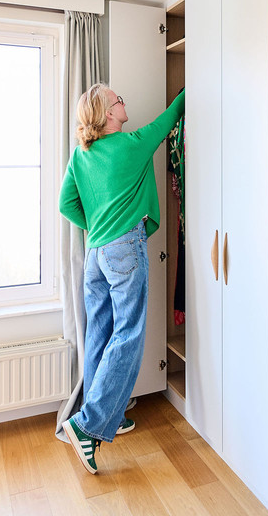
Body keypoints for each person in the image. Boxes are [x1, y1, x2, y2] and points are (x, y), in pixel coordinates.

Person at [58, 83, 185, 474]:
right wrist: (189, 87)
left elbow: (67, 204)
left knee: (100, 334)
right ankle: (89, 424)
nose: (124, 102)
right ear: (108, 113)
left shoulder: (82, 155)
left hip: (95, 255)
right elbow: (170, 118)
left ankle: (106, 415)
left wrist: (96, 227)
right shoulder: (131, 144)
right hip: (123, 250)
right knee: (128, 334)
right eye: (118, 100)